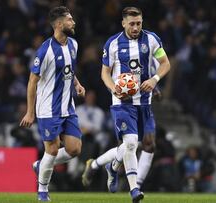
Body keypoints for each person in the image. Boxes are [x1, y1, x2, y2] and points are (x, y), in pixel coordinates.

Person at [87, 7, 170, 202]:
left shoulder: (152, 39)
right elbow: (105, 72)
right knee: (132, 143)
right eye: (131, 24)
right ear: (123, 23)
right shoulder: (113, 43)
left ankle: (111, 166)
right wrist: (113, 88)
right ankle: (135, 189)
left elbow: (165, 63)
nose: (135, 27)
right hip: (122, 103)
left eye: (139, 23)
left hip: (144, 103)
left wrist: (155, 79)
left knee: (141, 144)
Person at [19, 6, 85, 202]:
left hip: (68, 107)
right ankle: (42, 192)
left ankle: (41, 165)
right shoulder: (45, 51)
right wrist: (30, 112)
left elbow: (69, 70)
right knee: (53, 149)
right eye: (69, 20)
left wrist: (77, 84)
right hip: (48, 108)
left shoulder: (73, 44)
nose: (73, 23)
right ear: (58, 24)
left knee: (75, 149)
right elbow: (32, 82)